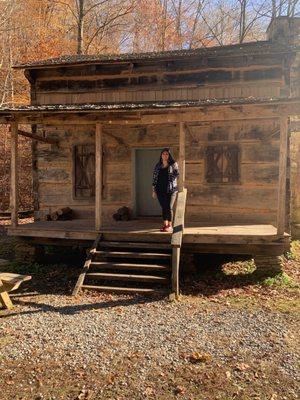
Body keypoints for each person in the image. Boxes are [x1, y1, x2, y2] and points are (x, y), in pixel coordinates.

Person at [152, 148, 179, 232]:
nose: (165, 155)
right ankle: (165, 225)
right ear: (161, 155)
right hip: (160, 190)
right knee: (164, 207)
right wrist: (153, 190)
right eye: (163, 154)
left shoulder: (173, 164)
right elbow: (154, 178)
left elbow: (177, 175)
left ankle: (170, 226)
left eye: (167, 154)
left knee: (169, 207)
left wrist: (174, 168)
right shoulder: (158, 165)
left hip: (171, 190)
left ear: (169, 155)